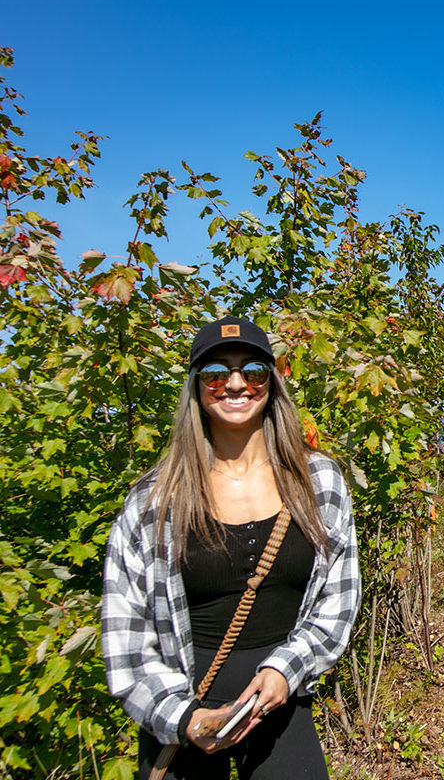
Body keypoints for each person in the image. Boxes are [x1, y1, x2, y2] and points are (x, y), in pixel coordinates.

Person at [101, 316, 361, 779]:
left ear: (272, 384)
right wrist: (185, 719)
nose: (236, 384)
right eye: (216, 372)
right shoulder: (153, 500)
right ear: (197, 389)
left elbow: (338, 600)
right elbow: (126, 636)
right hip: (184, 713)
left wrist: (286, 668)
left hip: (282, 706)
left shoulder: (318, 481)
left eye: (253, 371)